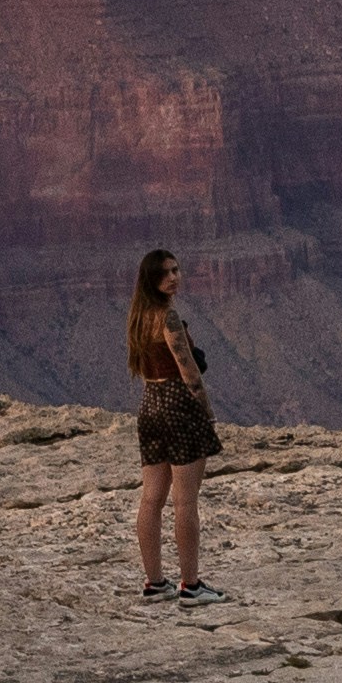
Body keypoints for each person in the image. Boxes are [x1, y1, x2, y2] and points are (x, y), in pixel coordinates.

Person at [129, 248, 223, 599]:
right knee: (185, 502)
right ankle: (191, 586)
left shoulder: (139, 316)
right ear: (152, 279)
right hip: (179, 406)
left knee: (151, 498)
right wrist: (207, 410)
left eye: (176, 270)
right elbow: (188, 371)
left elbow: (144, 367)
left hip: (150, 404)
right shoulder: (168, 317)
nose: (174, 277)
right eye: (165, 273)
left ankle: (154, 583)